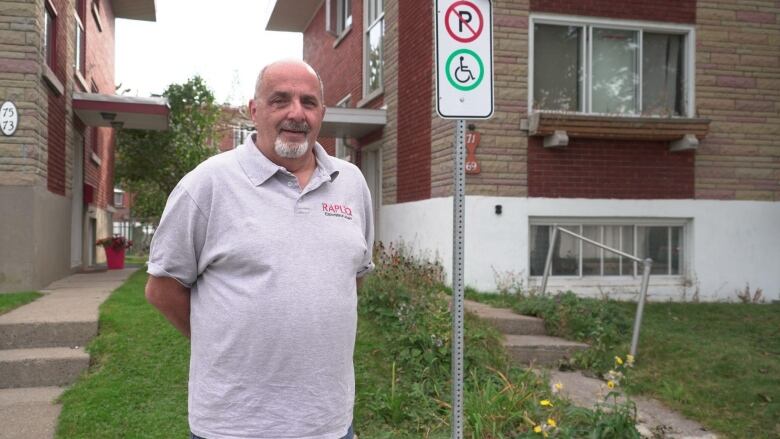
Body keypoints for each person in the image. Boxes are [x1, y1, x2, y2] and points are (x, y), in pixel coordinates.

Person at [145, 59, 374, 439]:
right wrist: (224, 340)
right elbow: (162, 289)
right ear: (254, 110)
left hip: (329, 424)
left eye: (309, 102)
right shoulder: (208, 184)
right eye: (280, 100)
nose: (296, 113)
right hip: (233, 425)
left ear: (322, 113)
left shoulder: (350, 183)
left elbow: (351, 278)